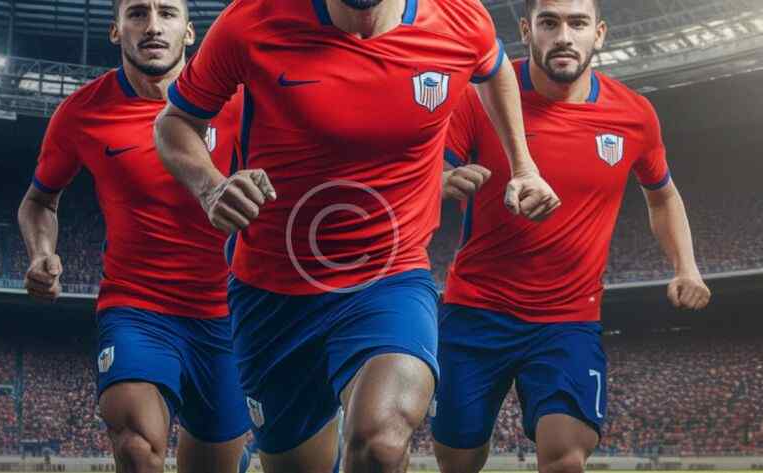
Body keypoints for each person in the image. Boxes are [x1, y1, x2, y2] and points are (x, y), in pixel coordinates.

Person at [154, 0, 561, 472]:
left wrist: (524, 166)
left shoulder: (459, 18)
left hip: (390, 276)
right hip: (273, 294)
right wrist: (210, 187)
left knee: (379, 445)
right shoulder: (251, 21)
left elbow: (493, 68)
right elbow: (174, 122)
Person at [432, 1, 712, 472]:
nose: (564, 35)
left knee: (565, 459)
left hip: (568, 319)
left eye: (578, 23)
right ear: (527, 30)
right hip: (476, 310)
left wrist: (687, 267)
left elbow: (663, 197)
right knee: (457, 461)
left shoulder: (634, 114)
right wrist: (442, 180)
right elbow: (429, 168)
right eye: (550, 22)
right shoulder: (481, 95)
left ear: (598, 33)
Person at [17, 1, 249, 471]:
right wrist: (41, 253)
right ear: (115, 30)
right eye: (138, 13)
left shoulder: (241, 101)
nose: (153, 26)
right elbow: (39, 201)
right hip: (138, 307)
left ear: (189, 32)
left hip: (230, 314)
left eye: (167, 13)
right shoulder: (81, 112)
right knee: (136, 447)